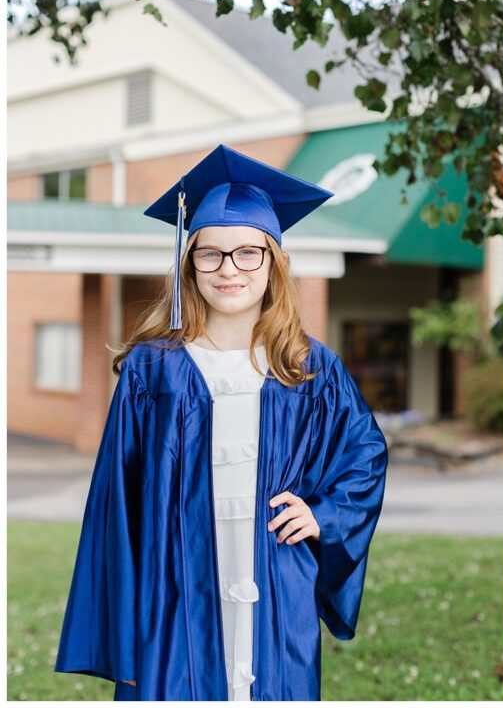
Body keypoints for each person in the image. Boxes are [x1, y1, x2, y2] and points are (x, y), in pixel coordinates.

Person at [54, 145, 388, 699]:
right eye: (209, 254)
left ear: (273, 261)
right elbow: (118, 501)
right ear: (189, 265)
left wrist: (324, 514)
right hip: (173, 587)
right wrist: (124, 619)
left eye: (247, 253)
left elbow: (365, 452)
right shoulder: (151, 370)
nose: (228, 268)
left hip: (278, 579)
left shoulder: (308, 366)